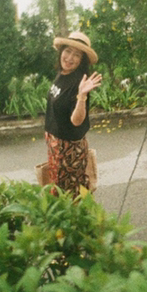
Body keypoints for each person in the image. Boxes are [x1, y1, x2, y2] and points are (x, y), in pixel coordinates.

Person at [45, 31, 103, 193]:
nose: (70, 58)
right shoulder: (63, 74)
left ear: (81, 60)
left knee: (69, 194)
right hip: (55, 144)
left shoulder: (79, 83)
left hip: (69, 150)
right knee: (58, 190)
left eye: (76, 55)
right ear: (61, 52)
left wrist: (82, 96)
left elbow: (76, 121)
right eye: (68, 51)